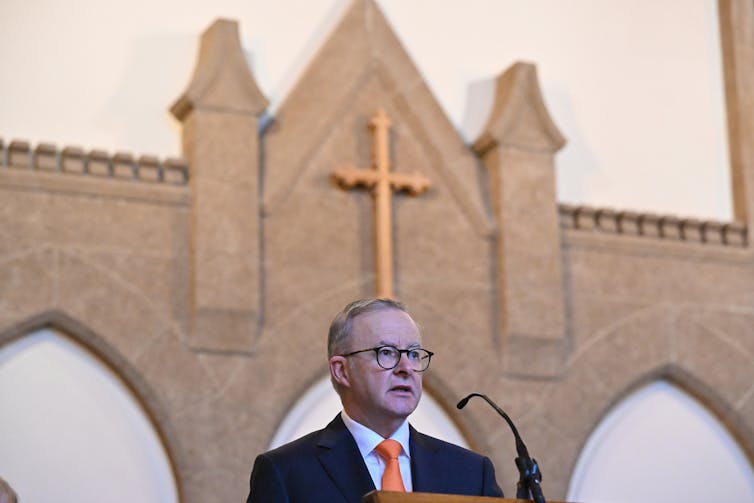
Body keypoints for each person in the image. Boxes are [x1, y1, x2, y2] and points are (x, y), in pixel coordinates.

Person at [246, 298, 503, 502]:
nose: (406, 367)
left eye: (413, 354)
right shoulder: (287, 472)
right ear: (341, 370)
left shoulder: (470, 473)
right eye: (386, 352)